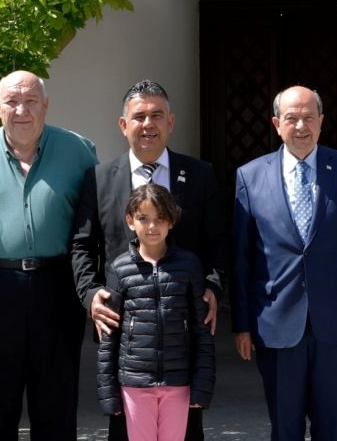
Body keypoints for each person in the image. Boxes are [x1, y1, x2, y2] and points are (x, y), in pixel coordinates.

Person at [73, 79, 227, 441]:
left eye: (157, 115)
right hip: (124, 338)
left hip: (182, 338)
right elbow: (82, 245)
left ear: (170, 122)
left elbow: (219, 242)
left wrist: (213, 287)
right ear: (123, 124)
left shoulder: (200, 175)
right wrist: (90, 293)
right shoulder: (98, 178)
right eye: (139, 116)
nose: (148, 124)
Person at [230, 85, 337, 440]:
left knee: (332, 426)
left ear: (321, 121)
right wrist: (242, 325)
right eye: (291, 118)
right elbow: (242, 257)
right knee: (285, 427)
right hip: (276, 323)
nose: (301, 126)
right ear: (276, 124)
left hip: (336, 320)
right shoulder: (250, 175)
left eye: (309, 117)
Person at [0, 70, 97, 439]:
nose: (22, 110)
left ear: (45, 105)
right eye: (12, 101)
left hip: (58, 286)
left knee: (56, 403)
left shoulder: (79, 151)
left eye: (31, 100)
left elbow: (95, 223)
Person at [96, 184, 215, 441]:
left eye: (160, 218)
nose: (152, 226)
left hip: (178, 382)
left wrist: (202, 388)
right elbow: (109, 337)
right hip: (134, 384)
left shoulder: (189, 265)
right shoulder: (120, 268)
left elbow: (201, 331)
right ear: (130, 221)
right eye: (143, 218)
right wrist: (108, 394)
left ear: (171, 221)